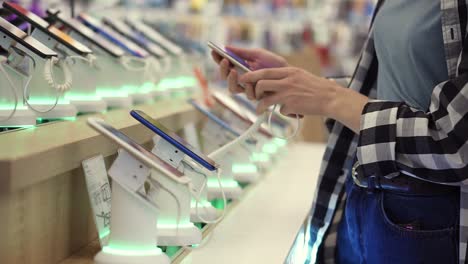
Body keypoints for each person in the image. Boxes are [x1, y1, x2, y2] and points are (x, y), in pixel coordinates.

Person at [211, 0, 468, 263]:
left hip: (432, 216)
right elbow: (392, 91)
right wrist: (297, 86)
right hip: (362, 195)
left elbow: (457, 145)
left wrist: (329, 97)